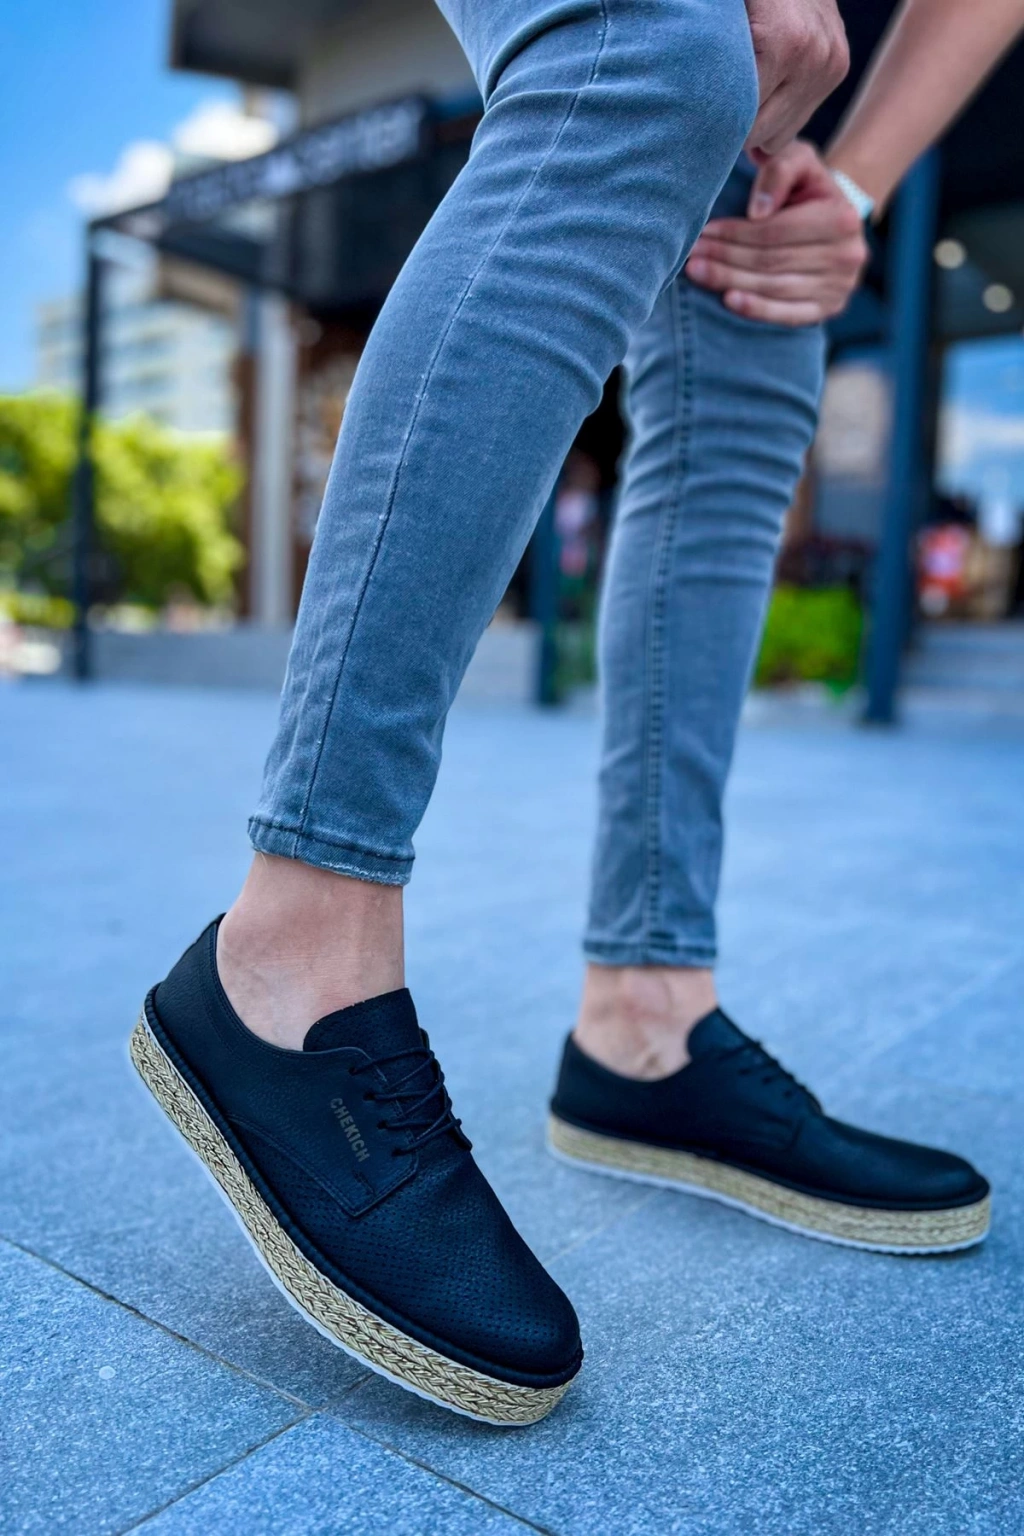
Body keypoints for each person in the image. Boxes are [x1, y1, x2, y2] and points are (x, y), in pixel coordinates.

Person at [129, 0, 1023, 1426]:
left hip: (798, 85)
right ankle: (292, 944)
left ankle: (647, 1021)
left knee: (759, 303)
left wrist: (848, 192)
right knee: (643, 57)